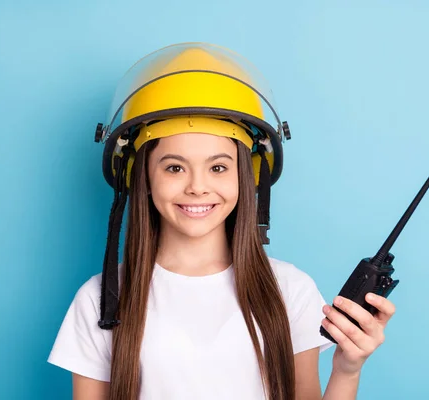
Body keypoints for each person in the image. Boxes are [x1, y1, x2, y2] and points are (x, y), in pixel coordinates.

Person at [47, 42, 396, 400]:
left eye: (218, 167)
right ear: (144, 179)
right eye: (174, 167)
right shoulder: (101, 298)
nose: (198, 187)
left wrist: (347, 369)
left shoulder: (290, 289)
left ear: (245, 178)